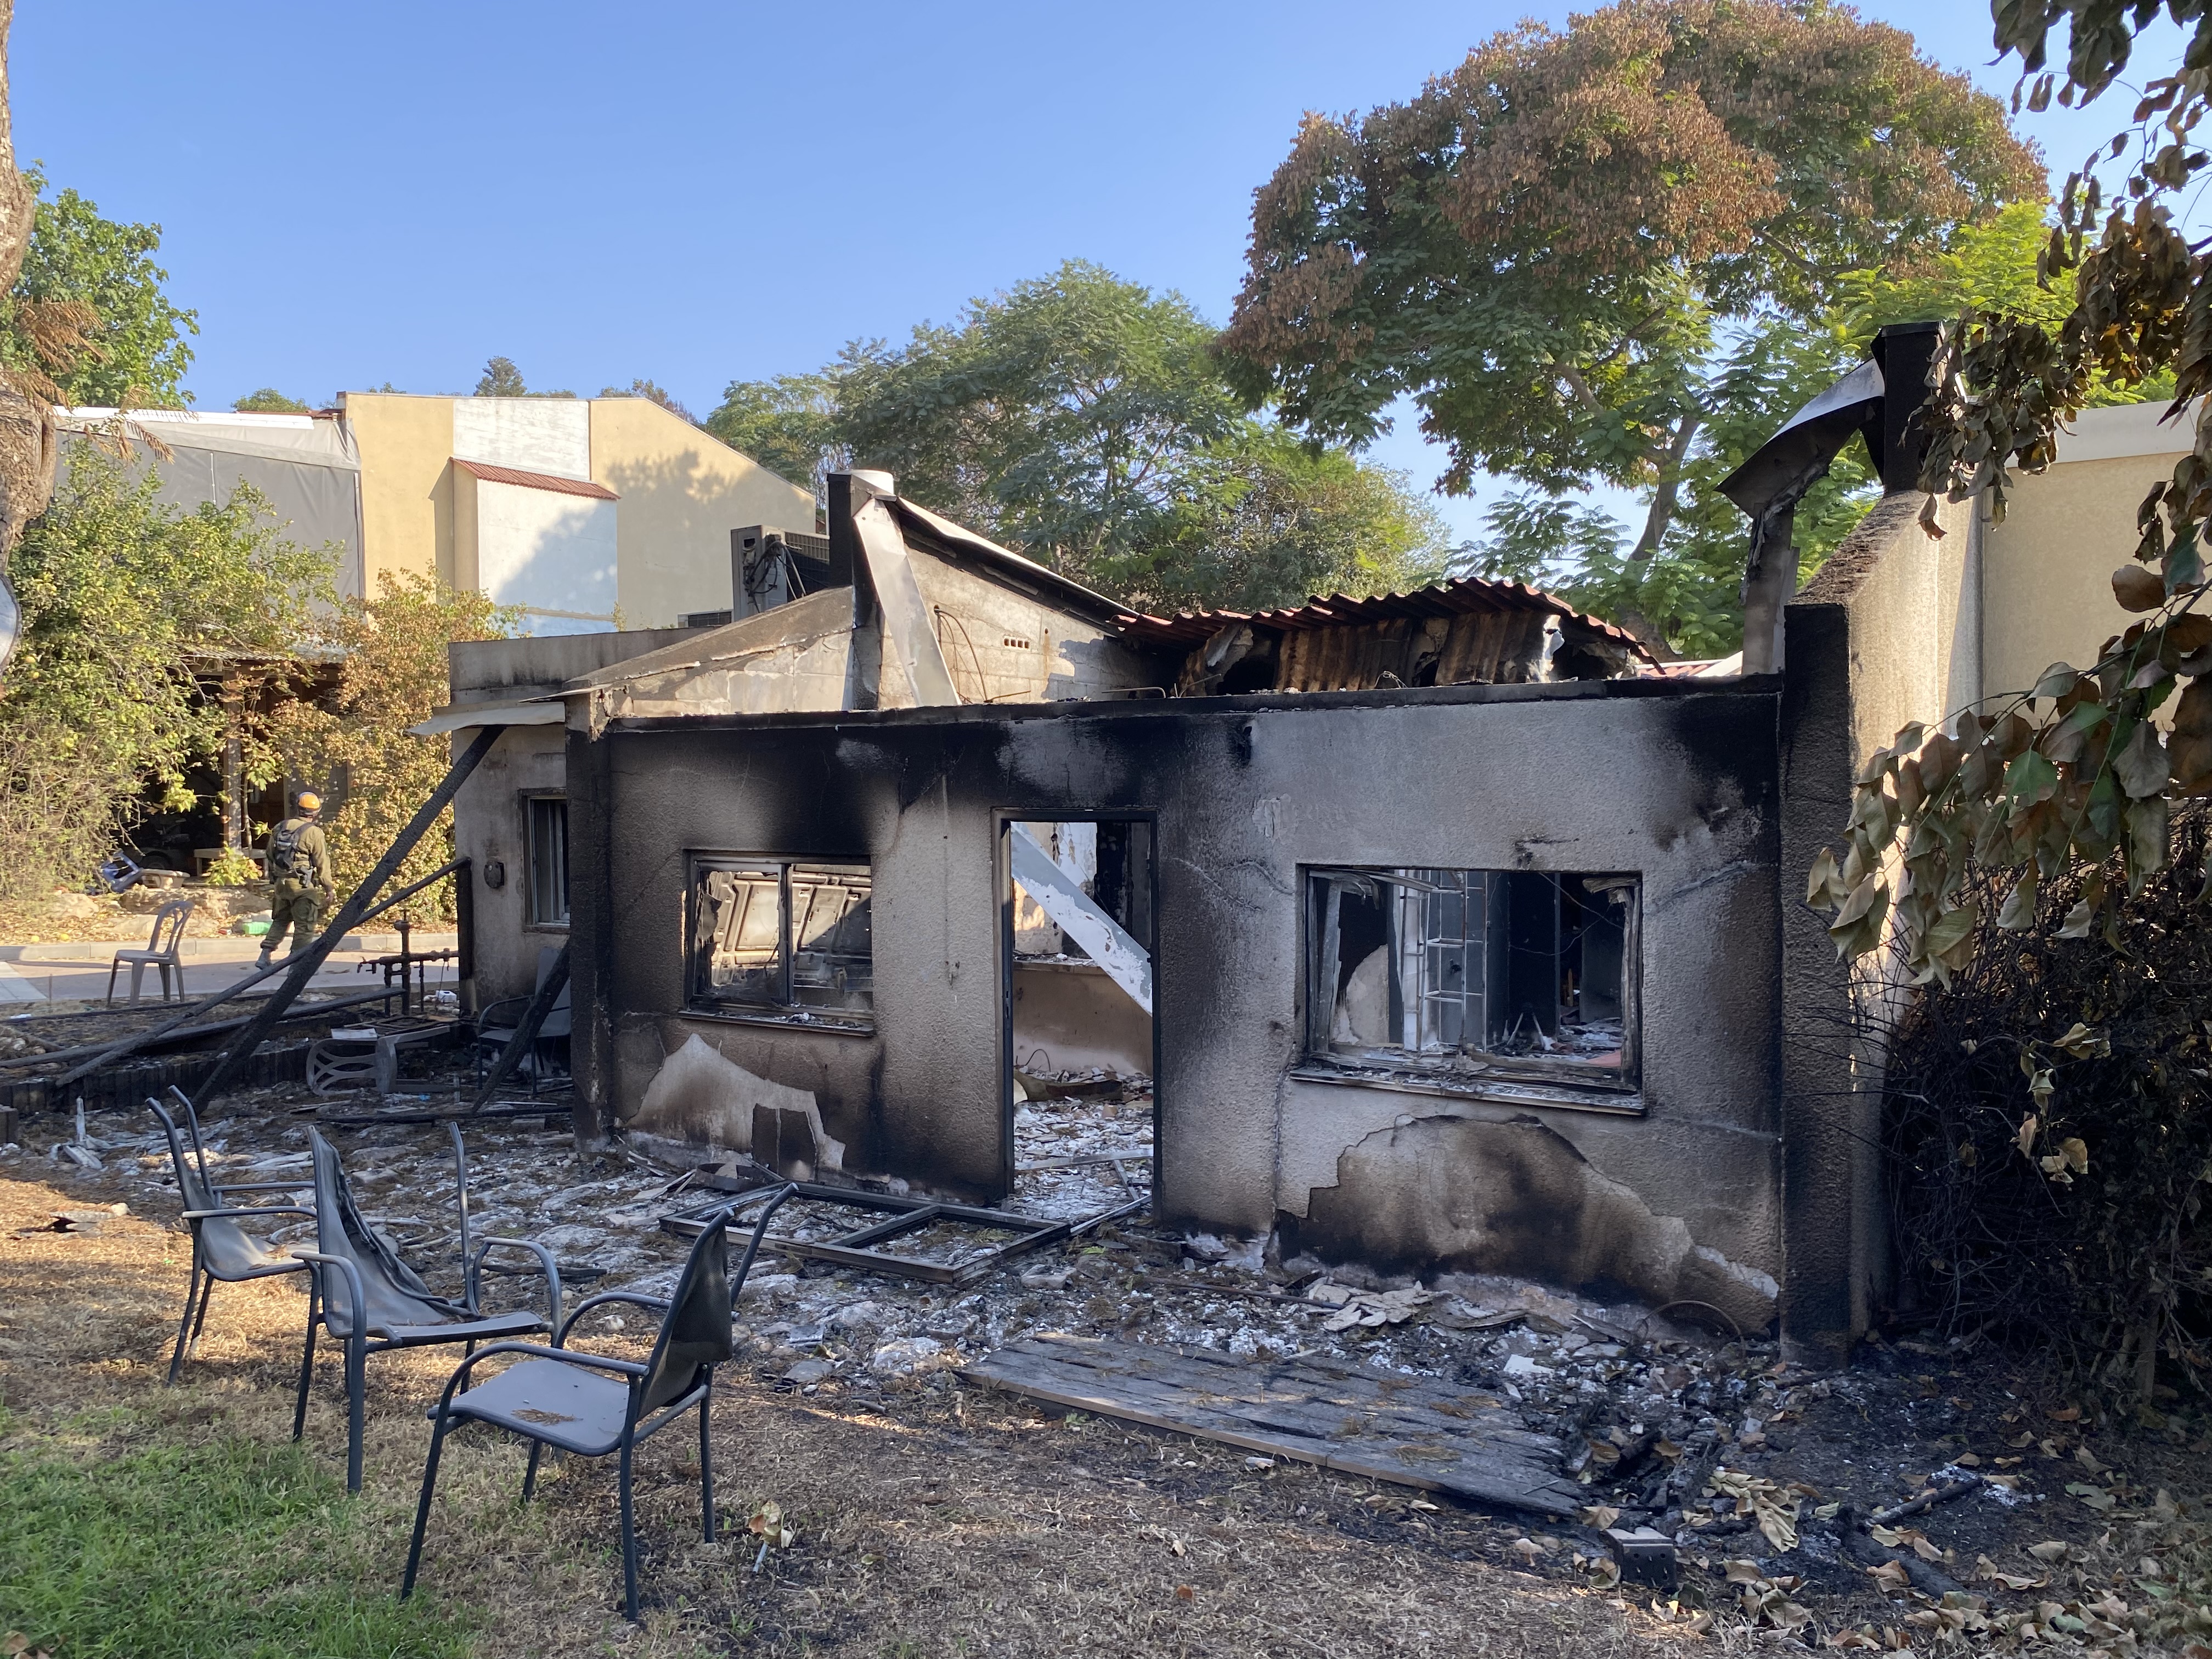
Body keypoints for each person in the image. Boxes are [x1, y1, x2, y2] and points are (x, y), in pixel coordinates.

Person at [258, 791, 336, 968]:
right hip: (302, 886)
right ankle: (296, 965)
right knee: (305, 926)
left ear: (298, 809)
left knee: (281, 920)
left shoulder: (281, 826)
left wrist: (277, 876)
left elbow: (270, 853)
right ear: (315, 813)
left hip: (282, 884)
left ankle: (264, 956)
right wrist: (329, 888)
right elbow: (322, 862)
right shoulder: (314, 832)